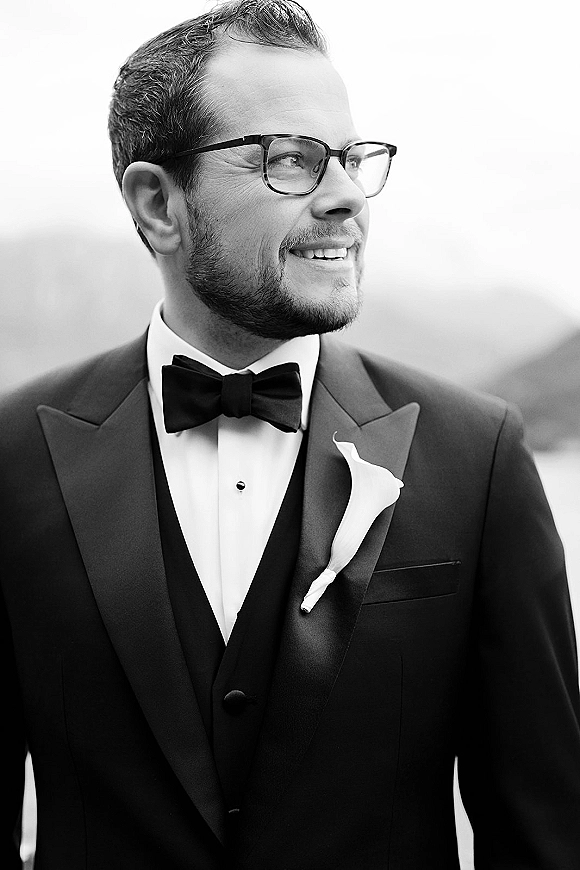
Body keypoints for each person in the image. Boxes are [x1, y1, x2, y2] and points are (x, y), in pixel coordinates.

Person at [1, 1, 579, 867]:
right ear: (159, 204)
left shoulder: (478, 455)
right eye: (291, 161)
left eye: (352, 158)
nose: (346, 196)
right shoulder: (10, 458)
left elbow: (545, 835)